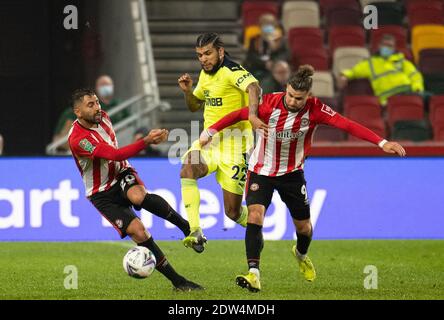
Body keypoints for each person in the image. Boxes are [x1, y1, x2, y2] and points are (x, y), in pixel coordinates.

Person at [199, 65, 406, 292]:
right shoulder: (268, 103)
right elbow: (239, 114)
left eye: (299, 98)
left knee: (304, 228)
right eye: (290, 95)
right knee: (255, 216)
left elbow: (346, 124)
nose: (294, 101)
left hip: (292, 175)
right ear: (285, 89)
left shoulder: (316, 109)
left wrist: (382, 143)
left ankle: (301, 253)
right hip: (261, 171)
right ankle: (253, 273)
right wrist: (211, 131)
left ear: (308, 96)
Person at [68, 88, 203, 291]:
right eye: (91, 104)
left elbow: (118, 159)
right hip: (101, 193)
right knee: (139, 233)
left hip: (121, 173)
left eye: (97, 102)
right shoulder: (79, 139)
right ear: (78, 112)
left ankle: (186, 227)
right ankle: (179, 282)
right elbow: (114, 154)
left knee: (138, 196)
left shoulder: (103, 117)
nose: (97, 107)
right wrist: (146, 140)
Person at [177, 33, 264, 253]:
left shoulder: (231, 71)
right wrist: (188, 92)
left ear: (221, 52)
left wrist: (252, 115)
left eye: (208, 53)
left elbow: (254, 87)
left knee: (232, 213)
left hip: (236, 148)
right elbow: (195, 106)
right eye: (199, 55)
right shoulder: (205, 75)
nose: (203, 59)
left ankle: (254, 227)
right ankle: (195, 231)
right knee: (188, 169)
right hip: (209, 142)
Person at [338, 34, 424, 106]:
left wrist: (417, 89)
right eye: (385, 45)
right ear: (380, 46)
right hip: (388, 98)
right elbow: (354, 71)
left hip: (408, 92)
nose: (387, 48)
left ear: (394, 48)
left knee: (431, 99)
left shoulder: (402, 60)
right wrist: (344, 75)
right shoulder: (370, 63)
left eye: (390, 46)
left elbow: (415, 75)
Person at [52, 75, 128, 153]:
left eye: (107, 84)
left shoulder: (120, 105)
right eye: (102, 85)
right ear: (96, 88)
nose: (105, 87)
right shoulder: (86, 107)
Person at [243, 14, 290, 82]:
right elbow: (250, 55)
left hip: (275, 68)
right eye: (265, 24)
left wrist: (274, 63)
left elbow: (286, 54)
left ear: (274, 26)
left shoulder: (280, 40)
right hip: (258, 66)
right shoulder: (254, 39)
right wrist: (264, 63)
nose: (267, 26)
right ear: (260, 26)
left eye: (270, 24)